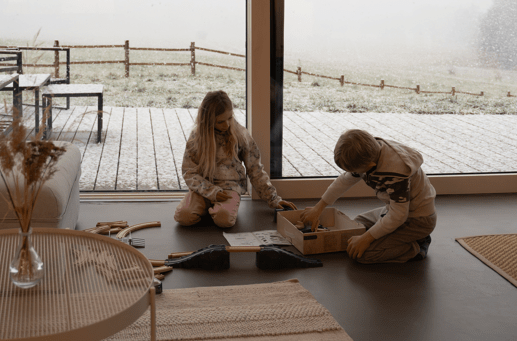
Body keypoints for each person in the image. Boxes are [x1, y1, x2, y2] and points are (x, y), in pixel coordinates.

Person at [300, 129, 436, 264]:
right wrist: (318, 208)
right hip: (397, 211)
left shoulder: (395, 173)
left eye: (354, 171)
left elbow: (398, 216)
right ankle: (403, 238)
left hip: (417, 220)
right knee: (354, 227)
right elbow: (344, 181)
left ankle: (415, 247)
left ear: (369, 165)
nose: (352, 173)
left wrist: (366, 239)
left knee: (363, 254)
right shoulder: (371, 152)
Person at [174, 90, 297, 228]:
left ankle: (216, 210)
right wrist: (211, 192)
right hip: (203, 188)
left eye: (230, 118)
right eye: (220, 121)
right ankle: (208, 207)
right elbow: (189, 171)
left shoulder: (240, 134)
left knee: (223, 220)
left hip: (229, 188)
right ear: (207, 120)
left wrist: (274, 199)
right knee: (183, 217)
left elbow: (255, 170)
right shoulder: (196, 137)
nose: (226, 124)